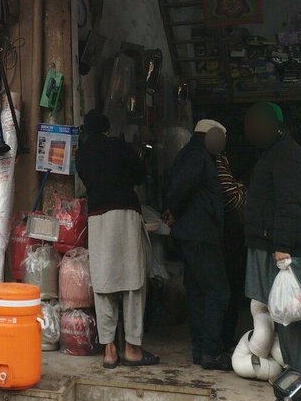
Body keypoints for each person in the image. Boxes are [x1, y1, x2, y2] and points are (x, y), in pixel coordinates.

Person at [75, 109, 159, 369]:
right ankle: (132, 347)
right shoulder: (118, 146)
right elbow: (139, 174)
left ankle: (109, 350)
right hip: (124, 214)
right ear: (107, 126)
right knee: (133, 280)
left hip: (98, 217)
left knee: (103, 283)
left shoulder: (81, 154)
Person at [243, 102, 301, 375]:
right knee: (275, 310)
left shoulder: (286, 153)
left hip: (278, 248)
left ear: (274, 124)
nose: (250, 129)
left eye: (256, 121)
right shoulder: (272, 152)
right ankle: (294, 369)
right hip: (267, 243)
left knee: (290, 312)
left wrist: (282, 246)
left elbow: (290, 202)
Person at [165, 118, 231, 371]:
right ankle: (211, 352)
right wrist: (174, 209)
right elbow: (181, 187)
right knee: (217, 291)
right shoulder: (197, 155)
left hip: (194, 233)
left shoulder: (193, 154)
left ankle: (201, 349)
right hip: (200, 234)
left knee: (198, 291)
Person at [216, 147, 247, 350]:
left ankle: (222, 338)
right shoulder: (217, 163)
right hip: (226, 237)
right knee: (227, 286)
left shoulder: (212, 160)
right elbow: (234, 197)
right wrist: (242, 188)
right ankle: (223, 339)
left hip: (226, 236)